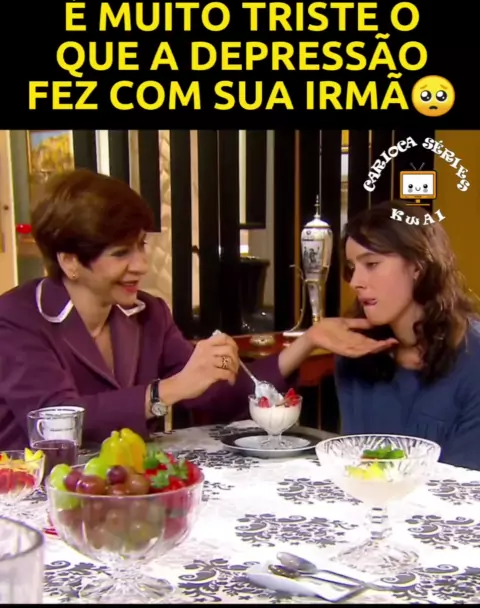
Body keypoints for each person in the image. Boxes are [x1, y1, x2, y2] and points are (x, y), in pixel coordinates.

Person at [0, 170, 391, 450]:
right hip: (33, 499)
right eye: (121, 253)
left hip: (126, 489)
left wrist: (306, 342)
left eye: (141, 245)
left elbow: (216, 399)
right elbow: (56, 422)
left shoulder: (150, 313)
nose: (141, 265)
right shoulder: (16, 318)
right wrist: (166, 390)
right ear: (70, 261)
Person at [332, 199, 480, 471]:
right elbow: (357, 467)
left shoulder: (474, 358)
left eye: (371, 264)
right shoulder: (354, 354)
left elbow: (468, 483)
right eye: (352, 268)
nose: (355, 282)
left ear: (417, 266)